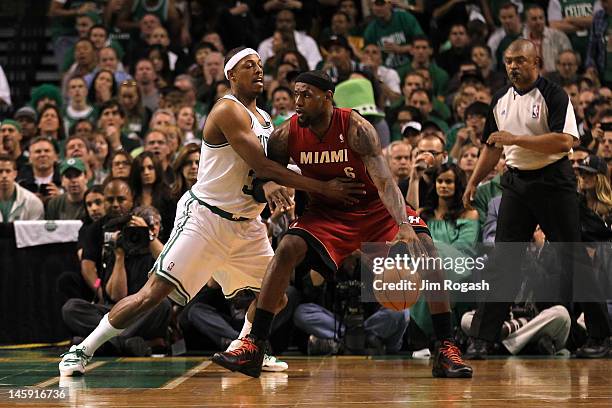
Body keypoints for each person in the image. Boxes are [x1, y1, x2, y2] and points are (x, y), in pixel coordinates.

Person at [58, 47, 361, 376]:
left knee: (277, 297)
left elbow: (261, 176)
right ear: (231, 75)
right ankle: (83, 349)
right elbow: (260, 165)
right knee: (152, 295)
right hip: (207, 218)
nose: (259, 70)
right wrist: (321, 187)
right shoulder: (227, 110)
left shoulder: (265, 120)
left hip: (246, 224)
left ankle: (246, 346)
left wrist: (293, 182)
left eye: (260, 65)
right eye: (249, 66)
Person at [212, 70, 473, 379]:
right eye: (295, 94)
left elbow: (386, 182)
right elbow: (263, 174)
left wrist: (402, 223)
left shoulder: (356, 128)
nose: (298, 102)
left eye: (306, 95)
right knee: (288, 247)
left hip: (375, 209)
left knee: (426, 246)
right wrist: (268, 186)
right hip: (326, 215)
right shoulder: (286, 135)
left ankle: (445, 347)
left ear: (328, 97)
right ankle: (255, 346)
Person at [462, 39, 611, 358]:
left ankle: (601, 335)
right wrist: (474, 180)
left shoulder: (554, 95)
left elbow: (564, 141)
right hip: (516, 182)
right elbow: (492, 145)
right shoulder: (500, 99)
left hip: (553, 181)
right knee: (504, 260)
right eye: (508, 61)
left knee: (573, 257)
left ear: (537, 62)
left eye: (519, 60)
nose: (513, 66)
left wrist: (515, 138)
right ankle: (483, 337)